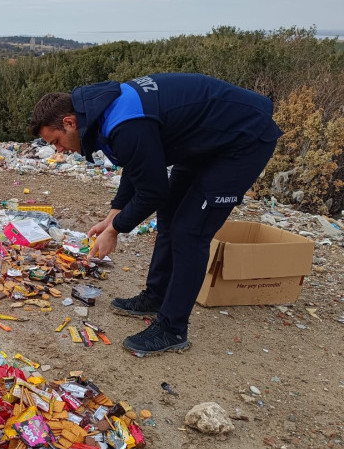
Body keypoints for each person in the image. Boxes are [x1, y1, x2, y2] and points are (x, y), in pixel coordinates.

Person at [30, 73, 282, 356]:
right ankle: (156, 297)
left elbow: (152, 191)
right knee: (169, 217)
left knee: (190, 232)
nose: (59, 150)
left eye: (56, 141)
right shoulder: (102, 110)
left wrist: (115, 230)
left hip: (243, 139)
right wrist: (113, 215)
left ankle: (172, 328)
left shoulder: (124, 123)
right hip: (204, 141)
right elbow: (137, 165)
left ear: (69, 122)